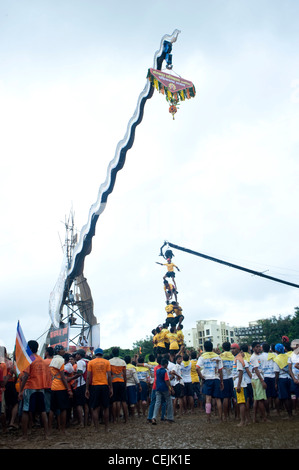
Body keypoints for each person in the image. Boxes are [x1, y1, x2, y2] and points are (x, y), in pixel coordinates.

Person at [18, 340, 49, 440]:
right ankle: (46, 434)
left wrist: (21, 390)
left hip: (30, 387)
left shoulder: (29, 360)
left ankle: (24, 436)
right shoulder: (41, 360)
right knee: (42, 411)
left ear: (30, 348)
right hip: (41, 388)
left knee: (26, 411)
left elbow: (26, 375)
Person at [85, 348, 112, 432]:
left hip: (95, 386)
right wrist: (110, 387)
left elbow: (88, 377)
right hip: (104, 385)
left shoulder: (91, 362)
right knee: (106, 407)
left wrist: (87, 389)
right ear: (102, 354)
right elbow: (109, 376)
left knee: (95, 408)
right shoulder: (107, 362)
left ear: (95, 354)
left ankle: (96, 428)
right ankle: (106, 428)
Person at [196, 341, 224, 422]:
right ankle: (220, 418)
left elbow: (197, 368)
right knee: (218, 399)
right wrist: (221, 381)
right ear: (212, 347)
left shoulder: (202, 357)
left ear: (204, 348)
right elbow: (220, 370)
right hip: (216, 379)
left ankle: (208, 418)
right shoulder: (217, 357)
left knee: (208, 399)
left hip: (207, 379)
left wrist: (201, 377)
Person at [48, 345, 72, 434]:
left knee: (52, 409)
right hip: (61, 387)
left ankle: (49, 429)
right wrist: (68, 389)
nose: (63, 351)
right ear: (58, 351)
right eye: (62, 349)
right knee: (63, 409)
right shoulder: (61, 360)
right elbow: (62, 377)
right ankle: (63, 429)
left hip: (53, 386)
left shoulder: (53, 360)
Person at [151, 357, 174, 424]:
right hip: (164, 388)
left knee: (157, 403)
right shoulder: (165, 371)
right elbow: (167, 380)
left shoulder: (157, 370)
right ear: (166, 364)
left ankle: (154, 417)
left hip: (158, 388)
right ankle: (170, 417)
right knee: (169, 401)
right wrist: (170, 388)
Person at [231, 343, 249, 427]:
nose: (232, 350)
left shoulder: (238, 359)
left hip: (239, 383)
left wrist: (238, 385)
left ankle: (242, 421)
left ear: (238, 350)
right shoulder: (237, 358)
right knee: (242, 403)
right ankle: (245, 420)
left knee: (241, 403)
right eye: (231, 349)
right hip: (238, 382)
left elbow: (240, 371)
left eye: (234, 348)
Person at [109, 347, 128, 423]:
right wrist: (125, 384)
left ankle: (115, 419)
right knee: (123, 401)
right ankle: (126, 419)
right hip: (121, 381)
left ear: (112, 353)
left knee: (114, 401)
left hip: (113, 382)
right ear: (118, 353)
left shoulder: (109, 362)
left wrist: (109, 385)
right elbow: (124, 374)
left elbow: (109, 375)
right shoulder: (123, 362)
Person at [250, 341, 268, 423]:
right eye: (257, 347)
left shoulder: (257, 356)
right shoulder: (254, 357)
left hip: (256, 378)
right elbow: (256, 370)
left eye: (259, 347)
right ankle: (264, 418)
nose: (258, 348)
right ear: (253, 348)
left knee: (256, 399)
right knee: (260, 399)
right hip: (257, 379)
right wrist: (262, 381)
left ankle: (254, 418)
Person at [274, 343, 292, 419]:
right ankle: (291, 413)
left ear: (276, 350)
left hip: (282, 379)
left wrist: (275, 383)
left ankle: (289, 415)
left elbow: (276, 372)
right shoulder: (288, 356)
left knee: (285, 398)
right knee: (289, 396)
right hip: (289, 378)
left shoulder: (277, 359)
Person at [260, 343, 279, 416]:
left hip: (265, 376)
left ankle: (268, 412)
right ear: (269, 349)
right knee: (275, 396)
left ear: (262, 348)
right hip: (273, 376)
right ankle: (277, 411)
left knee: (267, 396)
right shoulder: (274, 355)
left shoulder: (260, 356)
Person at [72, 349, 89, 427]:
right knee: (85, 404)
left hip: (80, 384)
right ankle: (85, 421)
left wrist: (71, 378)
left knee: (79, 404)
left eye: (76, 354)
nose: (75, 356)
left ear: (79, 355)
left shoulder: (79, 362)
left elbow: (80, 373)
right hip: (85, 383)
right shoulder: (86, 362)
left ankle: (81, 422)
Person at [220, 342, 235, 421]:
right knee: (234, 397)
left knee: (226, 398)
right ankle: (237, 415)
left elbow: (219, 369)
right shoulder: (233, 356)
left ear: (223, 348)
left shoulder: (221, 357)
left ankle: (226, 416)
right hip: (233, 378)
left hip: (225, 378)